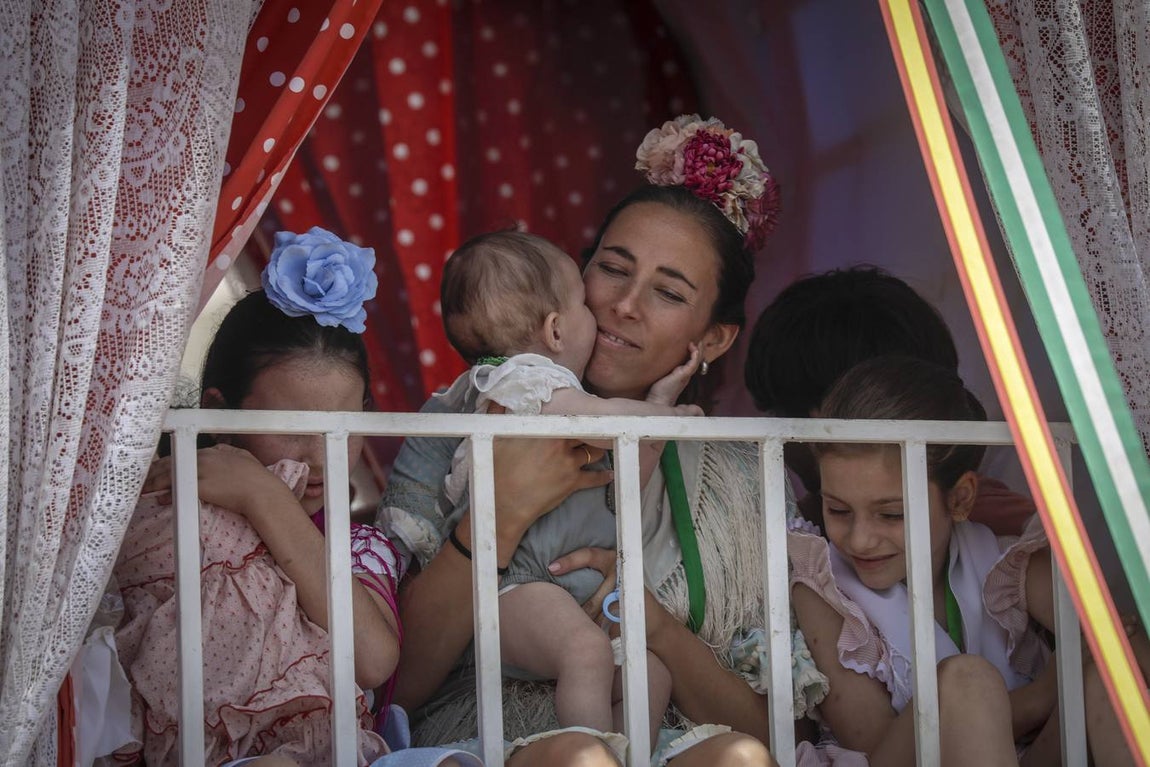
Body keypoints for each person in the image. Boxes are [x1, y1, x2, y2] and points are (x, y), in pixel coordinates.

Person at [378, 115, 822, 767]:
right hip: (480, 734)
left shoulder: (748, 475)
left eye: (668, 292)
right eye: (611, 270)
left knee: (743, 757)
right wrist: (496, 521)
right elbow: (394, 681)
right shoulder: (467, 412)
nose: (624, 305)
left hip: (656, 734)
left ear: (716, 338)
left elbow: (788, 735)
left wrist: (654, 625)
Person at [114, 228, 480, 767]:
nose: (319, 453)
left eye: (343, 426)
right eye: (290, 425)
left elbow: (374, 659)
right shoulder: (164, 519)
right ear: (221, 413)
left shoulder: (361, 546)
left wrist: (264, 496)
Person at [788, 355, 1142, 766]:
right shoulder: (823, 591)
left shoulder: (1006, 564)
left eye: (891, 514)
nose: (861, 539)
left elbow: (1120, 640)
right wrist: (1044, 694)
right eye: (838, 510)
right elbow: (878, 745)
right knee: (965, 681)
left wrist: (1104, 656)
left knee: (1111, 668)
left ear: (960, 499)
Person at [436, 229, 708, 748]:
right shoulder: (522, 382)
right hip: (515, 587)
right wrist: (662, 416)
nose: (600, 317)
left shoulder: (562, 396)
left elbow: (624, 478)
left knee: (650, 672)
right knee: (586, 654)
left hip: (563, 592)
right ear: (556, 330)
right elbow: (603, 422)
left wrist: (658, 404)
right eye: (585, 305)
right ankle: (591, 755)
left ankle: (629, 757)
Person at [743, 265, 1035, 535]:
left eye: (788, 416)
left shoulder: (1015, 542)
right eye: (839, 510)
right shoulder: (798, 529)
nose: (784, 443)